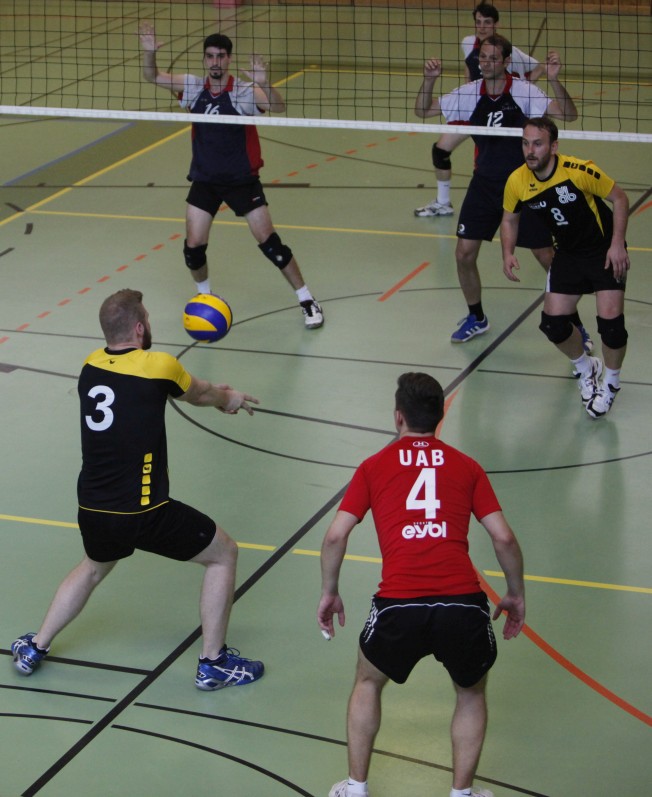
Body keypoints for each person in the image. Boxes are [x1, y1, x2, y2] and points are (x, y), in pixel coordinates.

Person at [11, 289, 264, 690]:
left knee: (93, 567)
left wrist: (212, 392)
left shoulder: (90, 365)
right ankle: (213, 662)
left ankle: (35, 646)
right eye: (147, 317)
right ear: (139, 327)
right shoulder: (159, 365)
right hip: (144, 512)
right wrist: (227, 398)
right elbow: (199, 393)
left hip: (93, 507)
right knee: (224, 554)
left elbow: (176, 389)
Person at [318, 372, 525, 797]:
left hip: (399, 604)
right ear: (440, 416)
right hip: (462, 604)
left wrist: (330, 591)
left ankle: (355, 787)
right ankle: (462, 793)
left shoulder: (373, 467)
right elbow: (503, 537)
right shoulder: (468, 467)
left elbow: (336, 535)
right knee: (471, 692)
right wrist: (515, 593)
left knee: (368, 682)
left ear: (399, 417)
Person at [138, 24, 324, 330]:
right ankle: (205, 297)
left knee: (271, 245)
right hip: (205, 179)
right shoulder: (193, 87)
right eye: (210, 56)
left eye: (221, 56)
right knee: (193, 249)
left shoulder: (244, 92)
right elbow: (153, 76)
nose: (215, 62)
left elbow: (277, 106)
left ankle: (307, 299)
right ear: (204, 59)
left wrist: (265, 83)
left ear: (228, 59)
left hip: (242, 180)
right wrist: (149, 53)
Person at [414, 35, 580, 344]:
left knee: (546, 256)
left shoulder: (523, 91)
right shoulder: (469, 93)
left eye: (492, 58)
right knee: (464, 254)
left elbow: (569, 114)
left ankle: (575, 324)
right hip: (484, 185)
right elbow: (423, 111)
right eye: (482, 57)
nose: (486, 63)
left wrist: (555, 80)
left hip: (523, 186)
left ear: (505, 61)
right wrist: (429, 80)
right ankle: (476, 317)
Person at [502, 117, 630, 418]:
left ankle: (611, 383)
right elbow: (509, 219)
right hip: (568, 254)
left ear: (554, 146)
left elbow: (620, 199)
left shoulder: (579, 170)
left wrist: (617, 244)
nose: (530, 150)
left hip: (602, 250)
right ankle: (586, 368)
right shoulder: (517, 180)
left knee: (611, 328)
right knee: (553, 324)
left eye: (538, 144)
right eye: (525, 143)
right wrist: (507, 252)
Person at [415, 3, 544, 219]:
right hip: (475, 107)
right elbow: (469, 69)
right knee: (440, 150)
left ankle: (520, 204)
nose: (482, 27)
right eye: (478, 22)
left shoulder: (511, 52)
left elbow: (538, 66)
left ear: (496, 25)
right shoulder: (468, 43)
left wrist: (526, 86)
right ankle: (443, 202)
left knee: (496, 157)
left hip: (503, 111)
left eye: (487, 22)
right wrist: (469, 95)